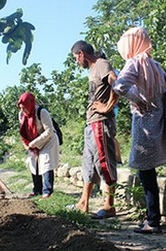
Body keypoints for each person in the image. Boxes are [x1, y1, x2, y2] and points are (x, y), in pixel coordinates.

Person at [113, 27, 166, 234]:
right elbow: (165, 91)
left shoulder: (134, 63)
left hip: (143, 126)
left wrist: (138, 99)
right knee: (150, 173)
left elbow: (119, 86)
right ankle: (151, 216)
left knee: (146, 175)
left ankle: (153, 221)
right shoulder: (156, 66)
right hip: (158, 126)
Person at [69, 40, 119, 219]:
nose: (77, 62)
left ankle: (109, 205)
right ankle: (84, 202)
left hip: (101, 122)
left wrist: (108, 107)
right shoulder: (93, 70)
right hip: (92, 123)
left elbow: (117, 83)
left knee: (104, 162)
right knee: (89, 164)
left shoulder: (102, 64)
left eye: (76, 58)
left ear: (81, 53)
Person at [18, 92, 60, 198]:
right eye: (21, 108)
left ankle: (47, 191)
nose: (23, 110)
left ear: (30, 104)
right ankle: (37, 190)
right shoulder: (21, 115)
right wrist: (26, 144)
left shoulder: (42, 112)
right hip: (33, 141)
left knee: (46, 163)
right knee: (33, 163)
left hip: (48, 140)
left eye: (24, 108)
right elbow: (23, 131)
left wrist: (33, 143)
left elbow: (49, 131)